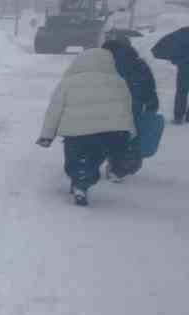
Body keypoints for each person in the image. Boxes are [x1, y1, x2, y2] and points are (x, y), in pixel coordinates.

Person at [38, 48, 137, 206]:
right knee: (94, 157)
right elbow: (126, 110)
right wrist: (130, 132)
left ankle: (78, 180)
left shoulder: (69, 82)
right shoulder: (119, 82)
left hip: (75, 132)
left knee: (76, 157)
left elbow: (54, 110)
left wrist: (47, 136)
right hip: (107, 131)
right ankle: (84, 181)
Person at [100, 35, 158, 180]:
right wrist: (152, 102)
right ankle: (119, 167)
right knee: (128, 135)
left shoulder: (103, 64)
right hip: (133, 106)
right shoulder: (138, 63)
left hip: (108, 104)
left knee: (105, 133)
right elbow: (149, 86)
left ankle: (103, 161)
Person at [151, 25, 189, 124]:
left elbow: (162, 46)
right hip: (184, 65)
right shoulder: (182, 33)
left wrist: (177, 59)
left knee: (181, 92)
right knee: (182, 91)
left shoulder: (182, 33)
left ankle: (178, 117)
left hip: (184, 67)